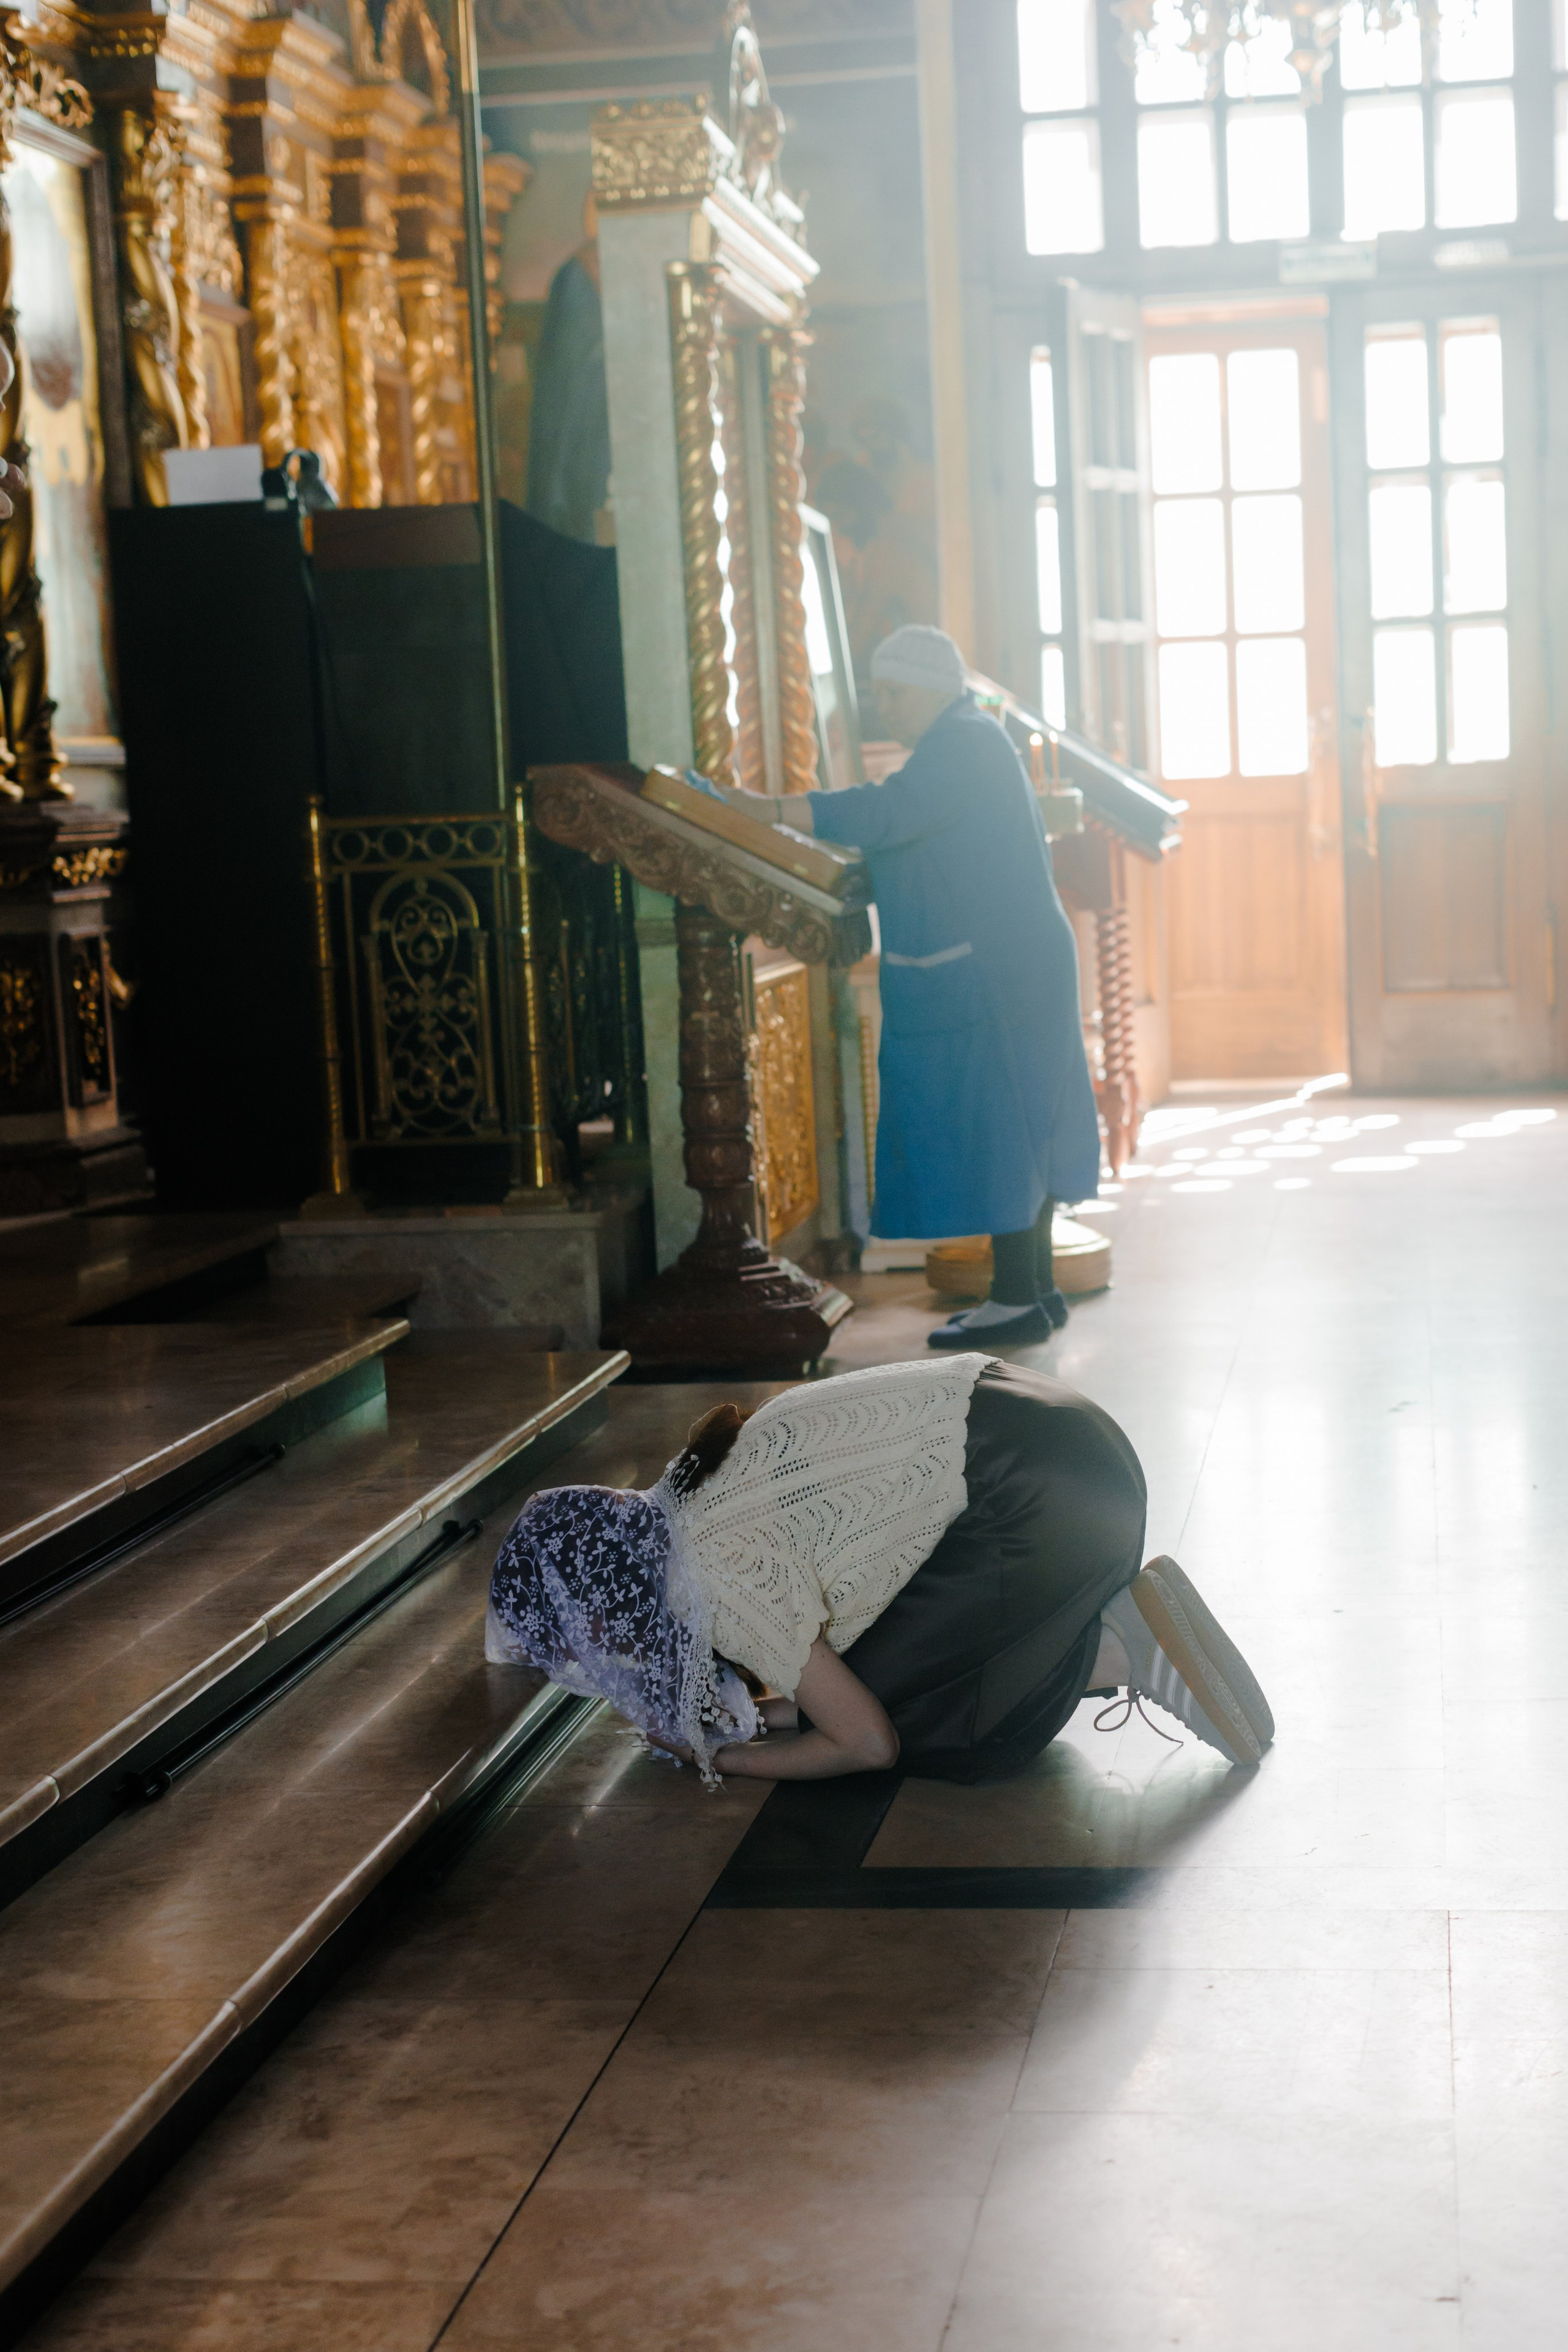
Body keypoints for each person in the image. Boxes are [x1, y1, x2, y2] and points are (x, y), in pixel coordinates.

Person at [486, 1355, 1273, 1785]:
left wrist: (727, 1758)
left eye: (583, 1639)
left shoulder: (715, 1580)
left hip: (1049, 1499)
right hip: (1076, 1444)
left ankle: (1119, 1648)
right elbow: (818, 1665)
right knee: (862, 1677)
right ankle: (1103, 1626)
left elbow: (868, 1743)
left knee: (941, 1730)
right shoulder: (687, 1492)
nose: (598, 1656)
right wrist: (771, 1719)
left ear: (604, 1602)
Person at [717, 623, 1099, 1350]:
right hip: (1017, 961)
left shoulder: (961, 743)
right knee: (1024, 1129)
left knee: (1003, 1132)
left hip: (999, 968)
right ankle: (1033, 1290)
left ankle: (1017, 1297)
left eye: (891, 692)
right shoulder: (965, 737)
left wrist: (769, 810)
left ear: (925, 689)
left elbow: (885, 812)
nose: (883, 706)